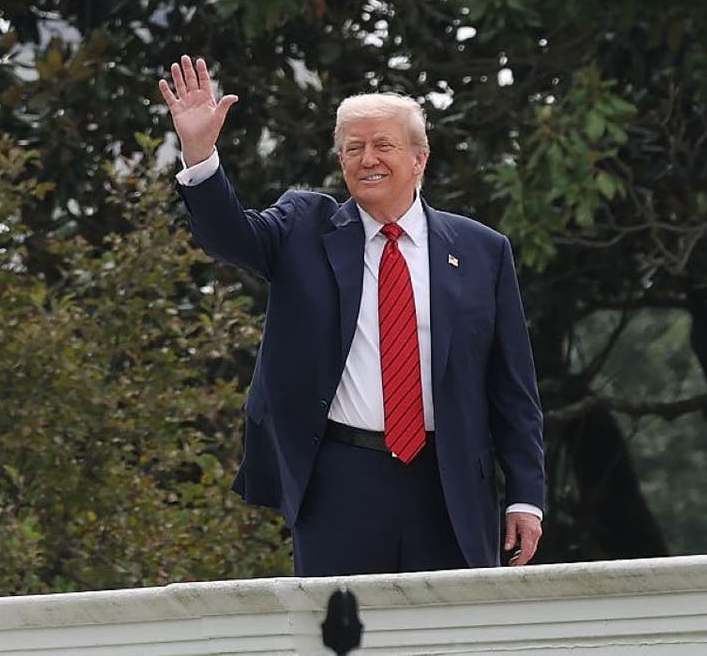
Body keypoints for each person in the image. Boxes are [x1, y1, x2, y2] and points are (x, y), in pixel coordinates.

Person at [159, 55, 545, 576]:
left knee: (449, 637)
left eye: (384, 145)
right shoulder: (303, 226)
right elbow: (229, 237)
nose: (368, 159)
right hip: (340, 478)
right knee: (342, 637)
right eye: (353, 148)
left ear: (419, 158)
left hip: (449, 481)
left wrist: (526, 496)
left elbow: (512, 387)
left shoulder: (482, 250)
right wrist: (200, 152)